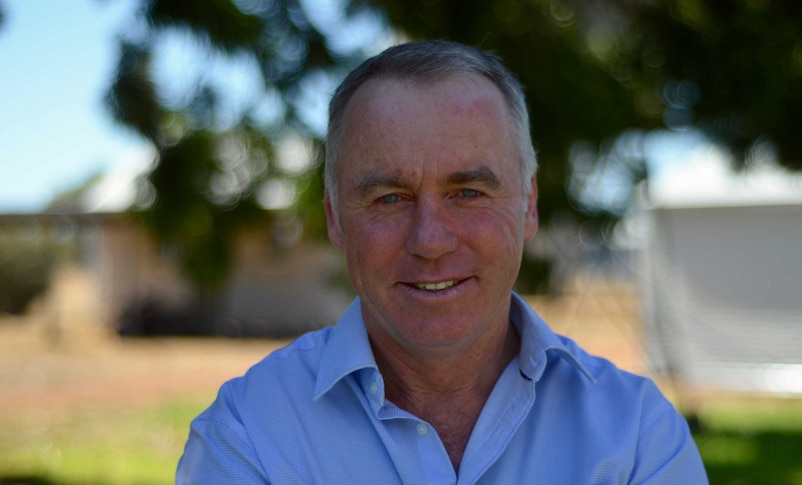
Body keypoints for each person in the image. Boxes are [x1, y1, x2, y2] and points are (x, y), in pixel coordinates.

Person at [176, 40, 708, 484]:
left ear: (529, 205)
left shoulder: (637, 436)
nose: (430, 240)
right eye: (389, 198)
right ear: (336, 219)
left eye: (469, 192)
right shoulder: (249, 435)